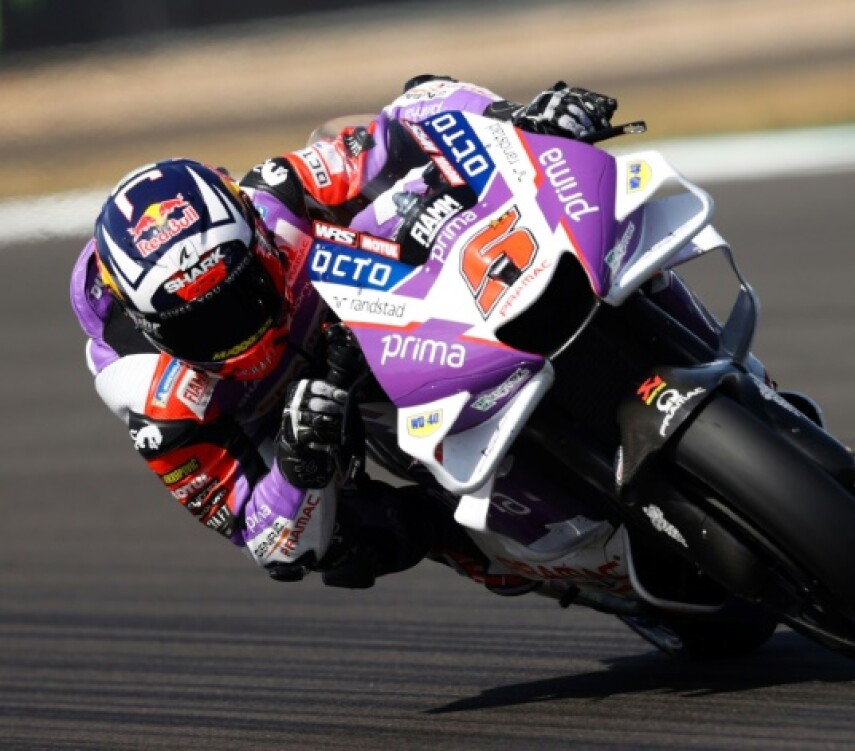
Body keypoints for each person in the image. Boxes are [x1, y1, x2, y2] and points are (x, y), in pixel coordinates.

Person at [69, 75, 620, 589]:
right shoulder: (155, 400)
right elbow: (266, 541)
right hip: (292, 413)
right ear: (152, 328)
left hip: (370, 317)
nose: (237, 333)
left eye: (244, 295)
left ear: (258, 241)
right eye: (201, 330)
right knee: (342, 542)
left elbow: (409, 117)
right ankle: (473, 545)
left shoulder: (276, 197)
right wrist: (297, 460)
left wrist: (515, 118)